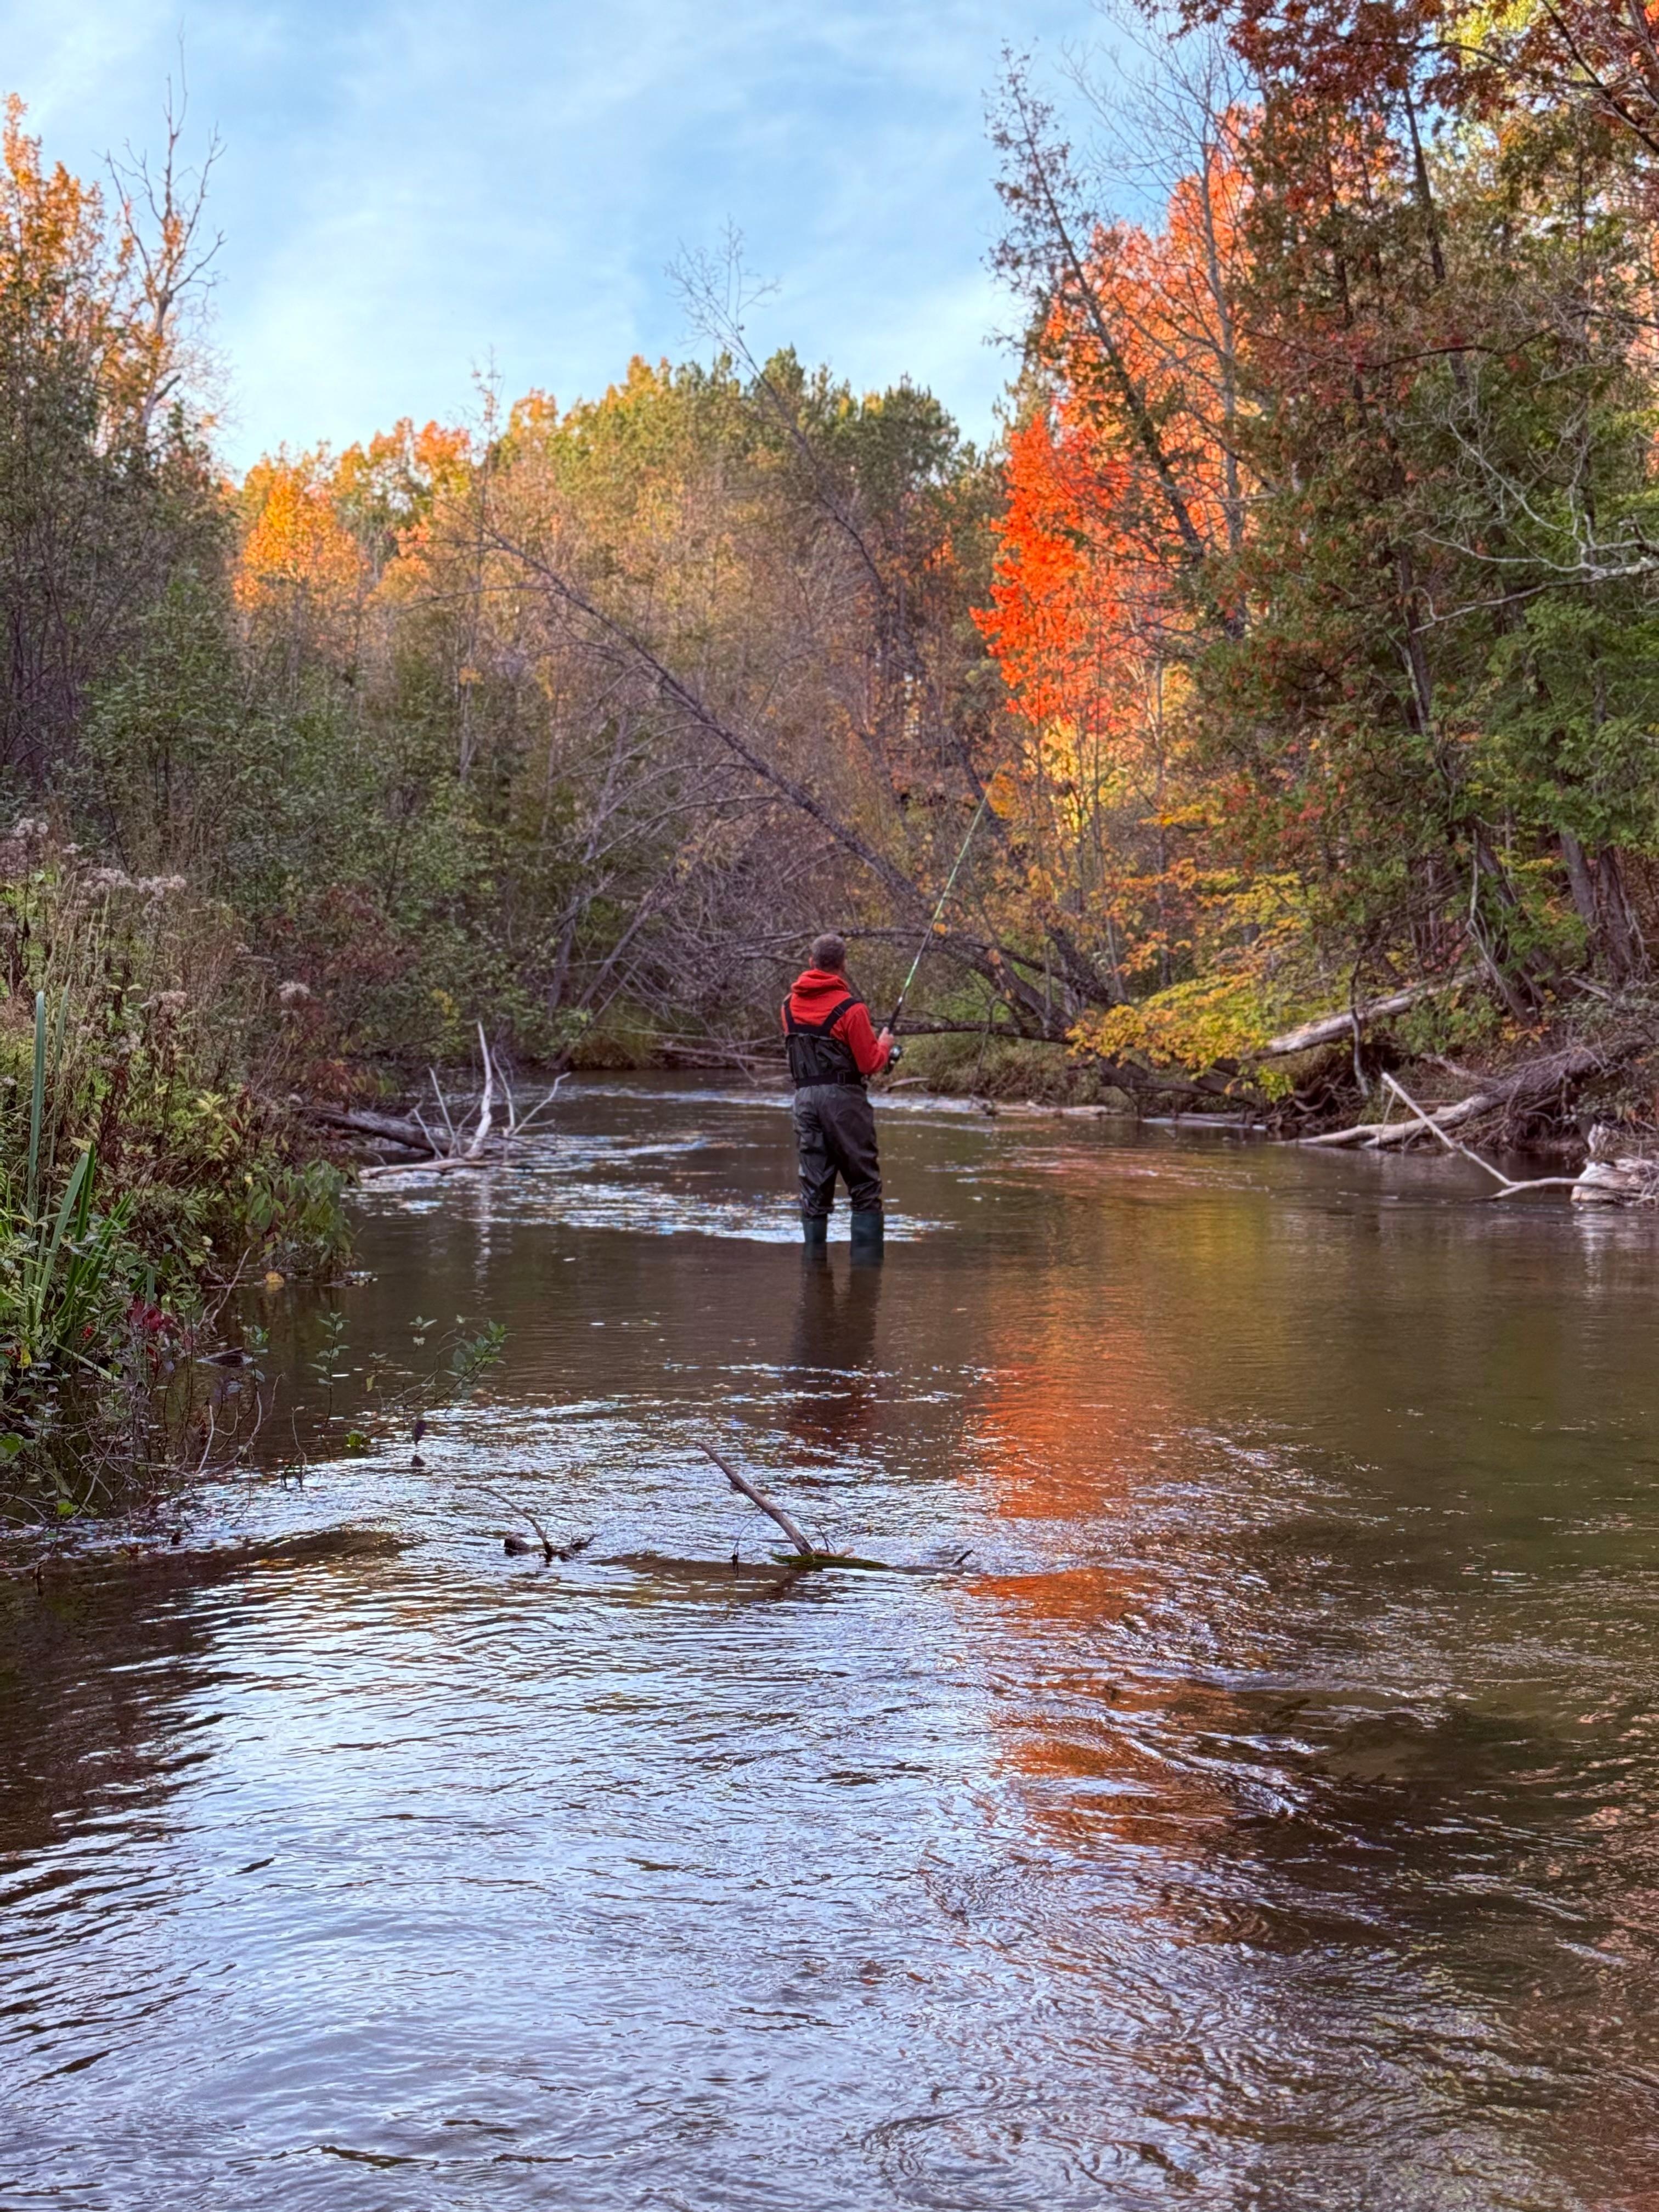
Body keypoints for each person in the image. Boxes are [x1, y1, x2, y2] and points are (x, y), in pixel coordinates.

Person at [781, 932, 894, 1250]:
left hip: (804, 1101)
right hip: (844, 1102)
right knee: (864, 1186)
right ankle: (867, 1281)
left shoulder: (788, 1007)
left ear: (811, 962)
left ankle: (813, 1277)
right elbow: (870, 1062)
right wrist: (885, 1045)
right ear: (843, 965)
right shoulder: (852, 1010)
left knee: (813, 1189)